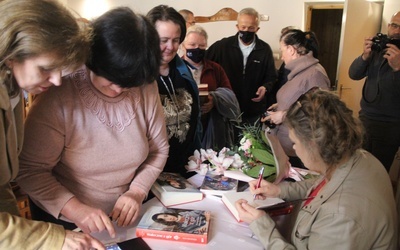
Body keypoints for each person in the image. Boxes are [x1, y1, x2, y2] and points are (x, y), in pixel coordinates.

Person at [17, 7, 169, 239]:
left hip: (124, 218)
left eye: (128, 85)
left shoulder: (144, 84)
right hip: (67, 224)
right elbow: (30, 170)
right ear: (92, 60)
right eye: (111, 81)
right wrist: (75, 209)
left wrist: (136, 192)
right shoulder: (59, 91)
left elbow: (159, 149)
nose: (118, 90)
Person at [0, 0, 105, 249]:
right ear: (12, 52)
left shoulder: (13, 87)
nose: (57, 80)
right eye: (46, 69)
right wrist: (54, 238)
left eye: (60, 69)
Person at [236, 88, 398, 249]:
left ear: (313, 146)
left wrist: (262, 226)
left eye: (294, 143)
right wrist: (278, 191)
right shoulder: (359, 158)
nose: (294, 149)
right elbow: (321, 185)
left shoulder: (341, 217)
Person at [147, 5, 202, 178]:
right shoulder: (139, 78)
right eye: (163, 40)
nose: (170, 47)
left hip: (183, 167)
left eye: (176, 40)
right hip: (149, 171)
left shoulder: (184, 71)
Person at [262, 29, 329, 168]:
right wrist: (281, 104)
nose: (281, 57)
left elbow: (320, 112)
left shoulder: (315, 74)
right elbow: (301, 99)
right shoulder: (300, 71)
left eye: (282, 50)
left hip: (299, 152)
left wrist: (284, 115)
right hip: (287, 148)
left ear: (291, 50)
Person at [205, 7, 277, 126]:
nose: (246, 30)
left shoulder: (264, 49)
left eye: (251, 28)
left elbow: (271, 75)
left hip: (253, 109)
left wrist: (265, 87)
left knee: (251, 143)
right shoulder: (222, 46)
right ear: (237, 27)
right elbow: (204, 64)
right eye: (243, 27)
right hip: (226, 107)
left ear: (257, 29)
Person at [348, 11, 400, 172]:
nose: (397, 31)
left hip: (390, 127)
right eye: (394, 25)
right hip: (365, 120)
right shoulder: (379, 48)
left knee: (376, 173)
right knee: (354, 167)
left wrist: (398, 68)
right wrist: (365, 56)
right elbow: (354, 74)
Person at [181, 25, 240, 149]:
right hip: (183, 127)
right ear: (183, 46)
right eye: (192, 45)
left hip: (210, 127)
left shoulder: (215, 68)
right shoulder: (175, 69)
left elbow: (229, 94)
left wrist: (214, 100)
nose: (197, 49)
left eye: (201, 46)